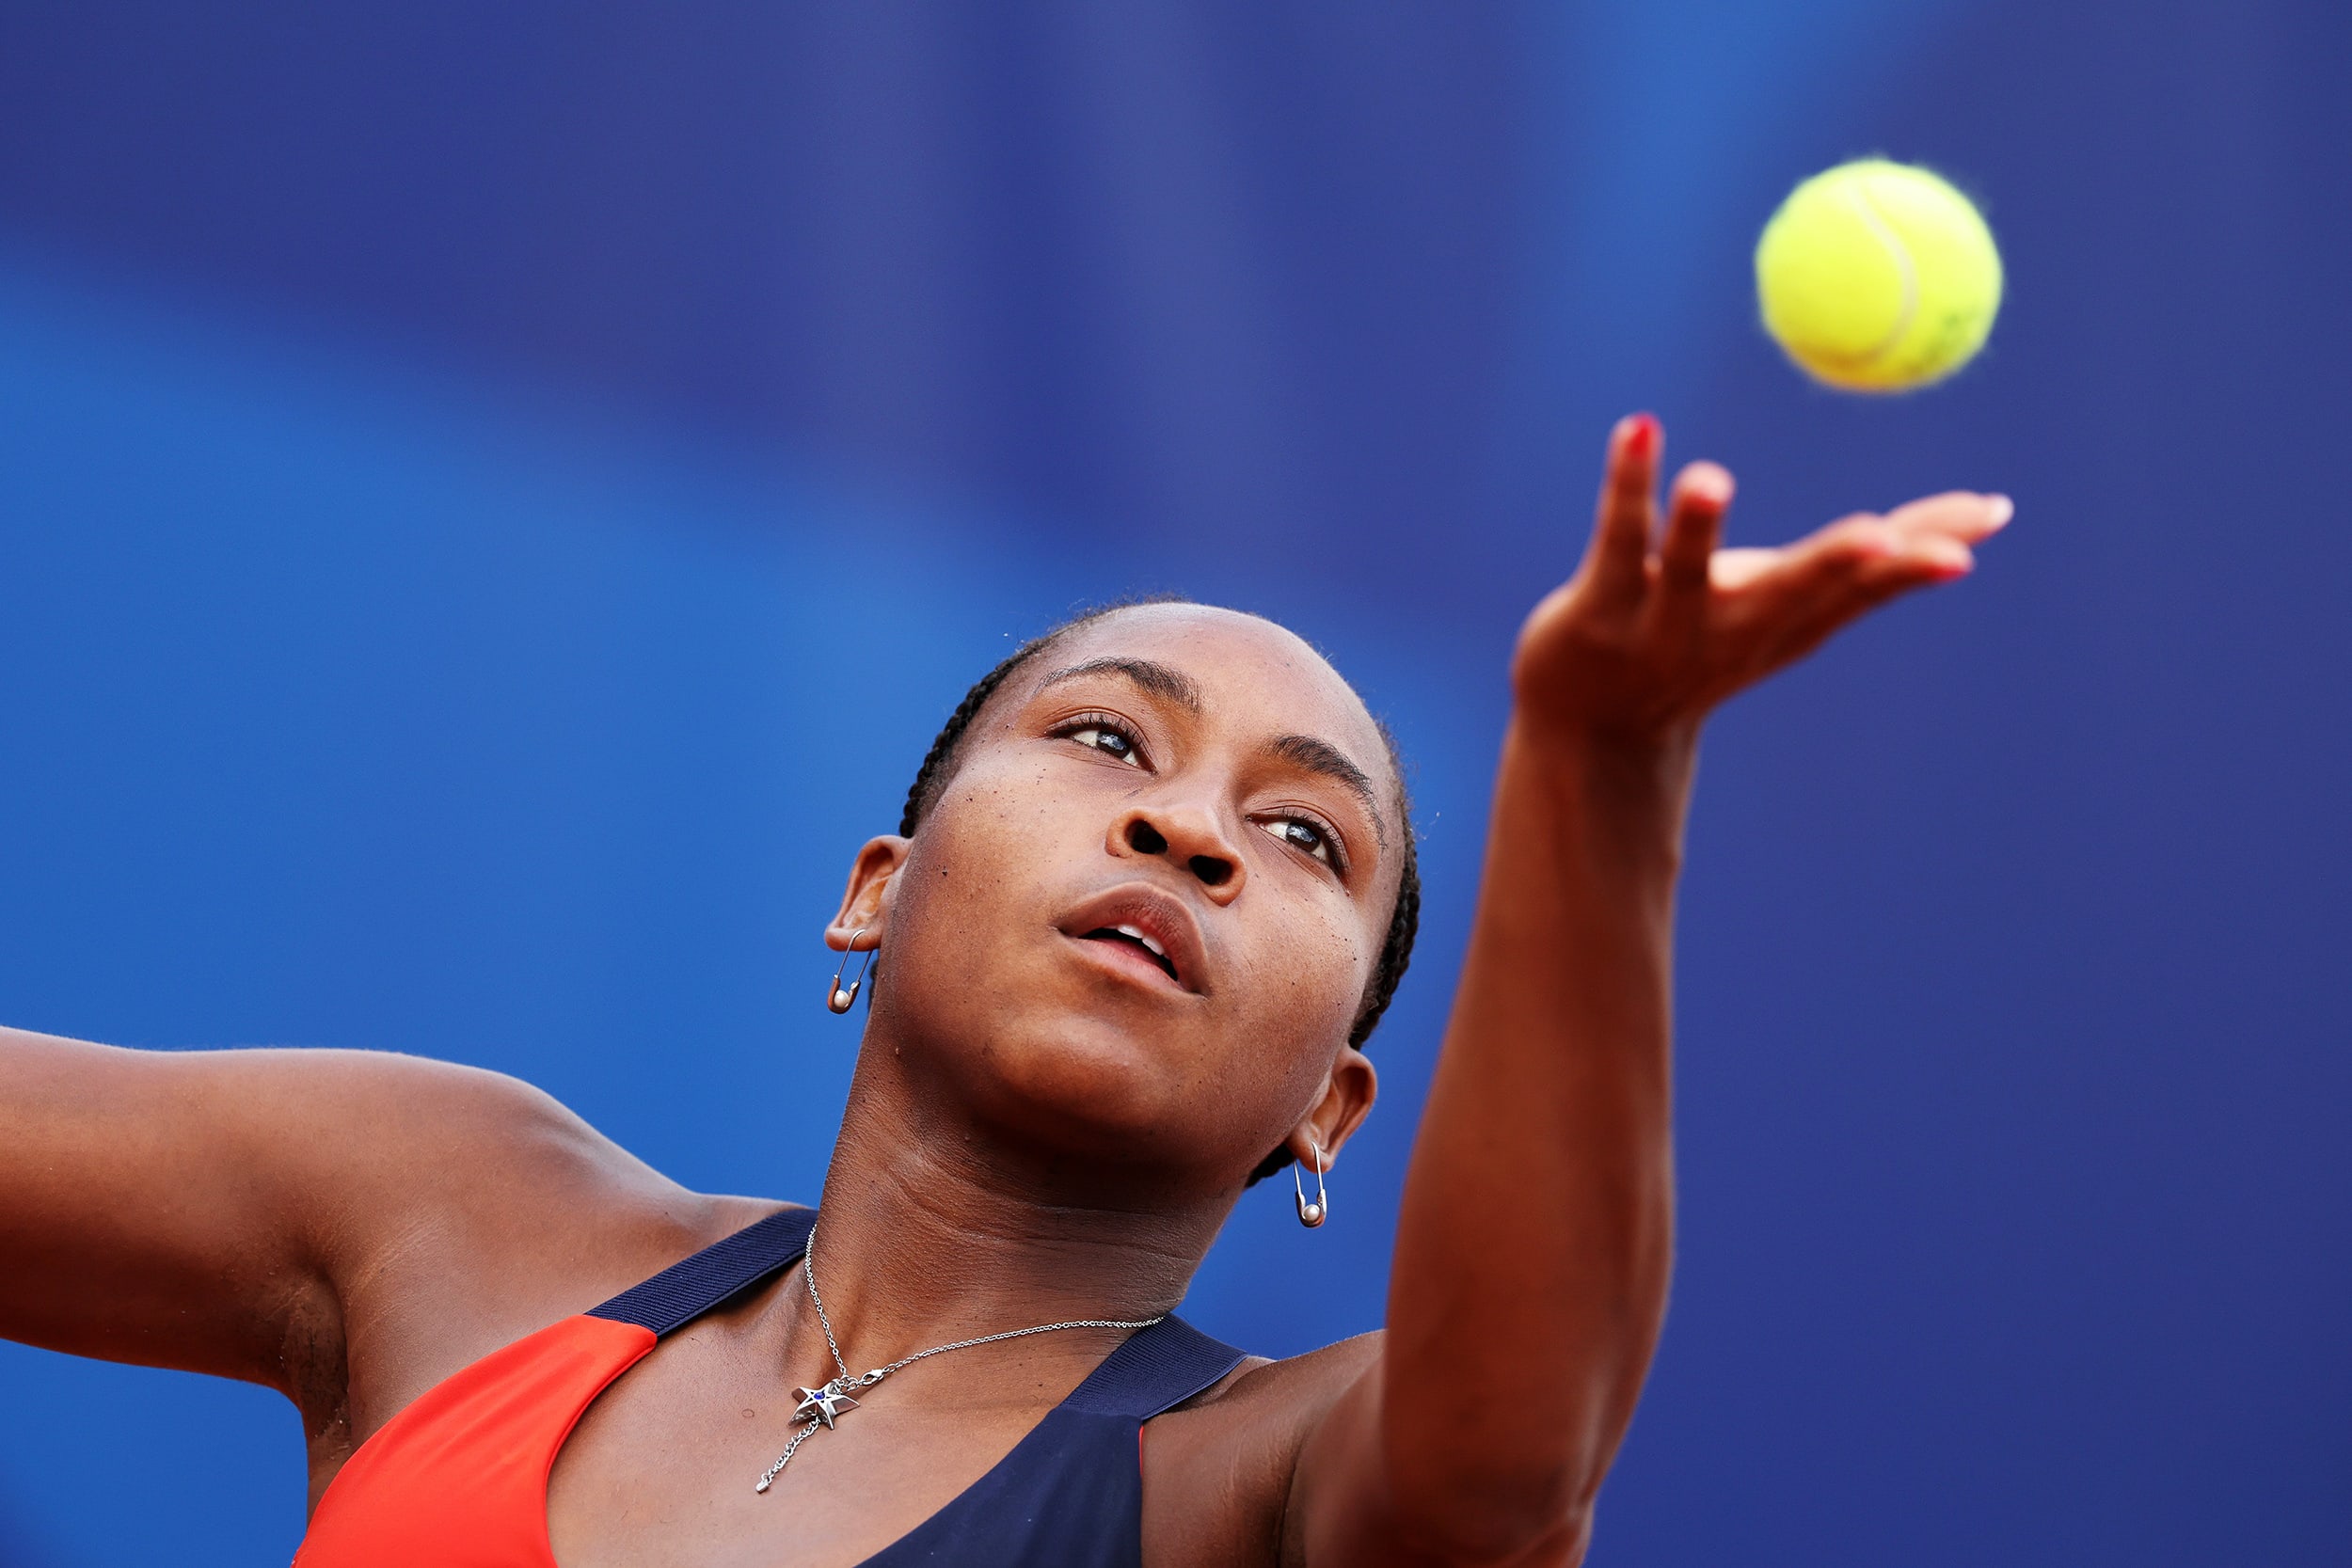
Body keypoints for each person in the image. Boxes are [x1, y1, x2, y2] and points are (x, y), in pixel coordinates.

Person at [0, 415, 2007, 1568]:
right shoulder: (447, 1213)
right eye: (1107, 745)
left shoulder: (1255, 1485)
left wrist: (1600, 762)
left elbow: (1510, 1451)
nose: (1192, 834)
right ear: (877, 888)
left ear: (1330, 1110)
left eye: (1304, 840)